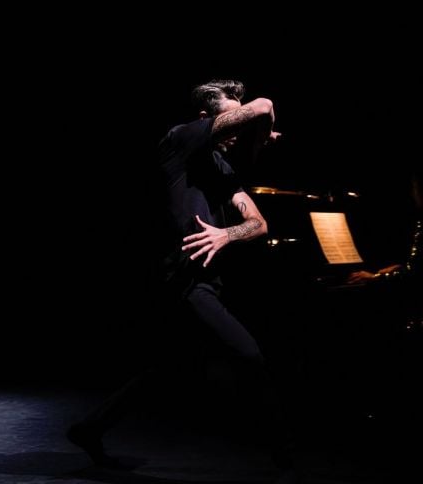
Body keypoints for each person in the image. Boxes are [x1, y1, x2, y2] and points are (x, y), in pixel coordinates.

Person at [67, 80, 299, 482]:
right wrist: (259, 133)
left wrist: (226, 234)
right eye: (231, 112)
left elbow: (259, 224)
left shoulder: (223, 169)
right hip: (183, 280)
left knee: (169, 369)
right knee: (250, 357)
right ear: (206, 119)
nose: (237, 122)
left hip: (207, 281)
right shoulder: (179, 140)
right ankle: (284, 454)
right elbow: (264, 107)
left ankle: (89, 429)